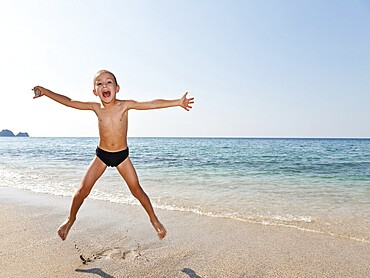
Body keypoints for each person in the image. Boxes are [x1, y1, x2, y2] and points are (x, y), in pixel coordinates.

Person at [33, 69, 194, 241]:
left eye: (109, 82)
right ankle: (70, 220)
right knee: (82, 191)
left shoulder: (124, 105)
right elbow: (69, 101)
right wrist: (45, 92)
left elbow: (151, 104)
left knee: (137, 190)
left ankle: (154, 220)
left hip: (122, 156)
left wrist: (177, 102)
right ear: (95, 91)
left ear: (117, 88)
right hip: (102, 155)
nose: (104, 85)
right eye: (100, 83)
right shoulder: (95, 107)